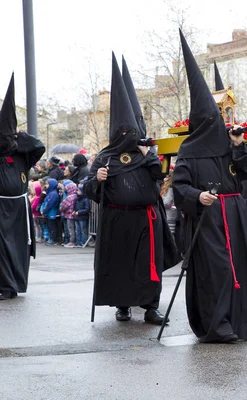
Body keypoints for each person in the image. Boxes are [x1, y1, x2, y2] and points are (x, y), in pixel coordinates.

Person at [173, 31, 247, 343]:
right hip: (209, 219)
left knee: (239, 269)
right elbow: (180, 187)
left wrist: (240, 147)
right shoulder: (188, 152)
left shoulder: (231, 146)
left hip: (236, 215)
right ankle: (217, 325)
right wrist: (196, 196)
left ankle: (238, 322)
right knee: (218, 271)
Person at [84, 53, 179, 324]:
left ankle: (151, 307)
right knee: (121, 264)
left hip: (146, 218)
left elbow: (158, 176)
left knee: (147, 264)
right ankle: (123, 305)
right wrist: (98, 180)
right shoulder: (105, 157)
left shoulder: (146, 154)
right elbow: (89, 191)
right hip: (116, 219)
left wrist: (147, 153)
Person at [0, 74, 46, 300]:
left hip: (18, 208)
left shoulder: (21, 156)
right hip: (0, 209)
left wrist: (19, 137)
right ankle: (4, 285)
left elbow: (38, 146)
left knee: (17, 248)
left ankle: (15, 285)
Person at [59, 182, 77, 248]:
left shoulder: (69, 197)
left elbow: (64, 206)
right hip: (75, 214)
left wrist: (61, 209)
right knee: (75, 229)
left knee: (70, 229)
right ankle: (77, 241)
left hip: (69, 215)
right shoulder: (76, 196)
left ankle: (72, 241)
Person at [73, 184, 90, 248]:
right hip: (77, 216)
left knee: (83, 230)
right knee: (77, 230)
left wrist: (79, 212)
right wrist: (74, 211)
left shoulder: (85, 199)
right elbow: (75, 206)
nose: (77, 192)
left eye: (79, 190)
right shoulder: (77, 198)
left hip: (82, 217)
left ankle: (83, 242)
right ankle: (78, 242)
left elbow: (87, 209)